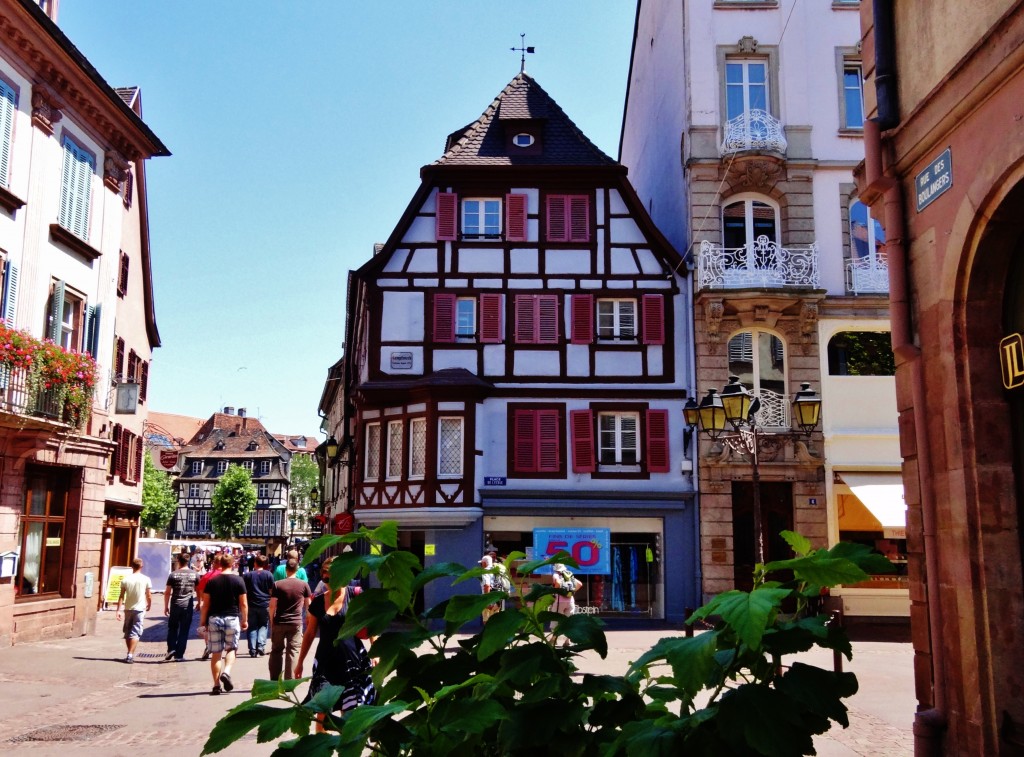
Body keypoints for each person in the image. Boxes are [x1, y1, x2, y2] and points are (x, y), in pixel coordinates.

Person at [295, 556, 376, 731]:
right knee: (322, 711)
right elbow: (309, 634)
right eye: (325, 577)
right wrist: (300, 662)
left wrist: (376, 652)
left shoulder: (355, 595)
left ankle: (345, 746)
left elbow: (370, 624)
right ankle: (321, 746)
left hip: (351, 660)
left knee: (348, 711)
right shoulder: (317, 601)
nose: (329, 581)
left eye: (334, 576)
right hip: (325, 662)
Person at [199, 553, 248, 696]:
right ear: (233, 564)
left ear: (220, 564)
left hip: (214, 619)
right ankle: (226, 672)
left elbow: (205, 605)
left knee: (216, 653)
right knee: (231, 648)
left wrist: (203, 621)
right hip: (232, 618)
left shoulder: (212, 582)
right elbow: (243, 603)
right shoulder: (239, 581)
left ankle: (216, 685)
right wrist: (244, 620)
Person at [268, 557, 312, 680]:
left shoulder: (277, 584)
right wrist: (308, 618)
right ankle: (289, 680)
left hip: (279, 621)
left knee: (276, 650)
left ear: (286, 570)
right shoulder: (304, 585)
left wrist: (272, 621)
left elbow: (272, 605)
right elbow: (309, 604)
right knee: (293, 650)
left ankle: (275, 679)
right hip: (296, 623)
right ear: (297, 570)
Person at [115, 557, 152, 664]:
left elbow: (121, 596)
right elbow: (148, 594)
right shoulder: (146, 579)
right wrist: (149, 604)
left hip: (128, 608)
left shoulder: (126, 579)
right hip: (140, 609)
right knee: (135, 632)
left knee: (128, 631)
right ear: (141, 566)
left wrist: (118, 610)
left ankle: (129, 653)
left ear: (132, 566)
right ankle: (130, 654)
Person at [163, 552, 199, 661]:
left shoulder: (173, 574)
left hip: (175, 604)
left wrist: (166, 606)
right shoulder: (194, 574)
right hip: (187, 605)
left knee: (173, 628)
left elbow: (167, 592)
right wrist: (199, 602)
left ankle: (171, 649)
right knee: (184, 629)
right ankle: (179, 655)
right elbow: (198, 590)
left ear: (179, 561)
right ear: (188, 562)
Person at [243, 554, 275, 657]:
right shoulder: (269, 575)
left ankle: (252, 649)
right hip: (265, 604)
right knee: (263, 625)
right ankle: (260, 646)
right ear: (266, 564)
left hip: (251, 604)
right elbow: (271, 591)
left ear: (255, 563)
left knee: (252, 626)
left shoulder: (248, 575)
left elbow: (244, 592)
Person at [196, 552, 224, 661]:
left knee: (207, 627)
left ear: (214, 563)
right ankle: (219, 648)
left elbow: (200, 591)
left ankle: (208, 645)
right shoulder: (229, 575)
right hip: (225, 606)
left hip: (209, 606)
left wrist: (200, 602)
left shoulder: (207, 576)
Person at [550, 563, 582, 644]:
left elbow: (557, 583)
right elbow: (580, 584)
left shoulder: (556, 575)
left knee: (556, 619)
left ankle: (553, 640)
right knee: (569, 621)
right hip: (570, 600)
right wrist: (572, 591)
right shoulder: (569, 575)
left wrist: (556, 589)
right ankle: (567, 641)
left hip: (559, 601)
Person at [478, 555, 501, 624]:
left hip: (489, 601)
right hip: (497, 600)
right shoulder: (496, 572)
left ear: (485, 563)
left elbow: (487, 586)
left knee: (487, 623)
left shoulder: (485, 572)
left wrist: (488, 602)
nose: (481, 565)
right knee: (495, 623)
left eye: (481, 563)